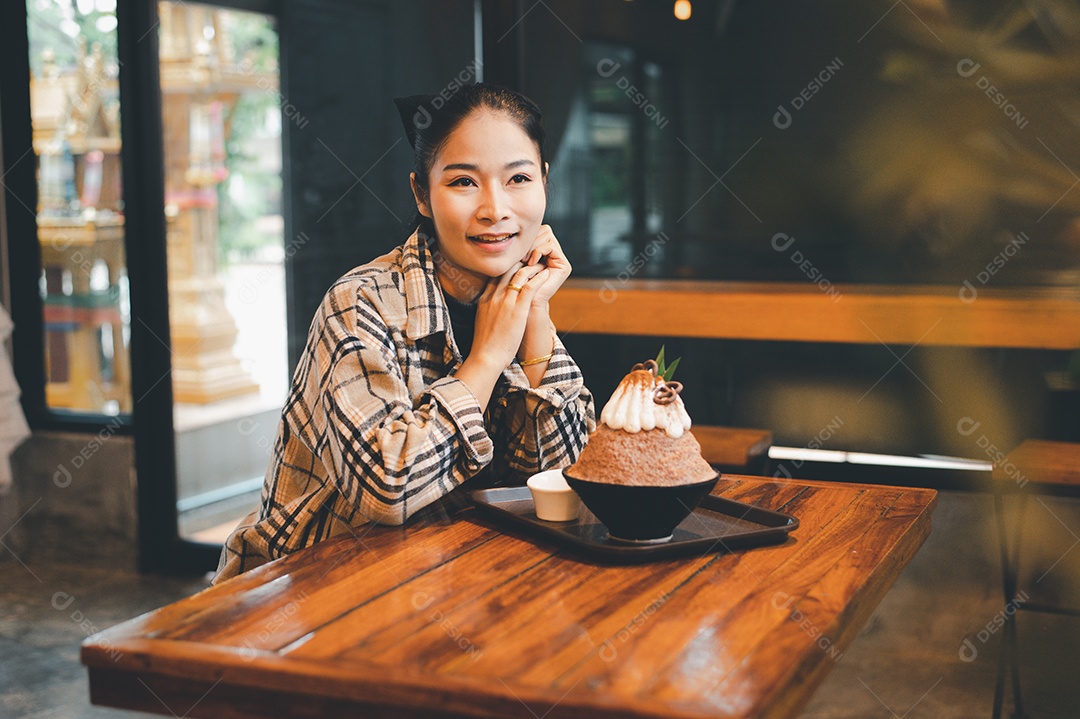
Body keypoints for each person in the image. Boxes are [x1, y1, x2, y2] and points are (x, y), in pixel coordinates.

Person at [214, 83, 595, 582]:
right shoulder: (359, 303)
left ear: (544, 182)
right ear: (422, 193)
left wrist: (535, 316)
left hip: (449, 582)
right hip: (306, 588)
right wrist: (487, 358)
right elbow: (386, 488)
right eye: (463, 182)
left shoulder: (515, 297)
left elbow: (564, 481)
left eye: (518, 178)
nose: (495, 209)